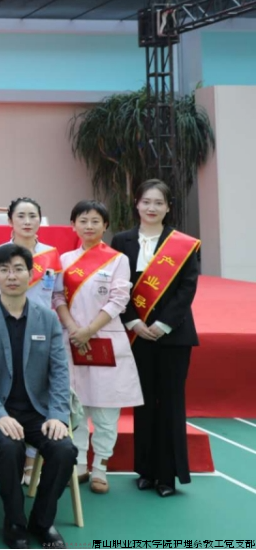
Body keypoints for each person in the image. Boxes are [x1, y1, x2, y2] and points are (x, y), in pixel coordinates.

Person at [0, 244, 76, 550]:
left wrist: (57, 415)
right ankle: (14, 521)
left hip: (38, 411)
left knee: (64, 449)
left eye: (18, 269)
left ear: (31, 274)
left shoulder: (48, 318)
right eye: (4, 270)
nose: (11, 276)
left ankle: (42, 521)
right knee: (9, 445)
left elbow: (59, 372)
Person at [112, 179, 202, 497]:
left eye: (158, 203)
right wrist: (134, 322)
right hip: (137, 335)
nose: (151, 208)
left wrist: (163, 324)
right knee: (145, 402)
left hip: (174, 335)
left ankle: (168, 476)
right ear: (137, 204)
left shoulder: (183, 244)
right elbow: (117, 285)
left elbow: (187, 288)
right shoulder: (121, 240)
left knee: (171, 403)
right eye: (146, 201)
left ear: (168, 207)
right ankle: (146, 471)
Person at [52, 200, 143, 495]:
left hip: (105, 339)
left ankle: (101, 466)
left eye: (95, 221)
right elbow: (57, 297)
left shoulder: (117, 260)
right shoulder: (64, 259)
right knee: (76, 405)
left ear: (105, 226)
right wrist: (73, 328)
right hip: (71, 339)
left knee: (106, 409)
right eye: (83, 220)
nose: (88, 226)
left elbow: (119, 300)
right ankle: (78, 463)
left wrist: (89, 330)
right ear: (73, 225)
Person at [0, 196, 64, 485]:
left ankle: (32, 461)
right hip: (7, 327)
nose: (27, 221)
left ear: (40, 219)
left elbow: (57, 294)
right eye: (20, 216)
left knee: (38, 389)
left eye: (32, 216)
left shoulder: (51, 254)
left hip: (41, 330)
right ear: (10, 220)